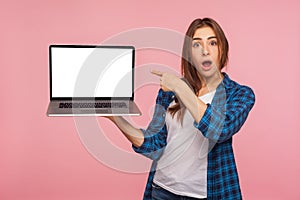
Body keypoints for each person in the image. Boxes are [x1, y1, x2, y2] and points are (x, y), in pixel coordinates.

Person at [105, 18, 255, 200]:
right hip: (161, 190)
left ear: (222, 49)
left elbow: (218, 130)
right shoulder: (169, 93)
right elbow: (154, 145)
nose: (205, 51)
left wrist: (181, 88)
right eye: (197, 45)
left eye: (213, 43)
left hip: (208, 195)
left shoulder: (240, 94)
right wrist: (115, 117)